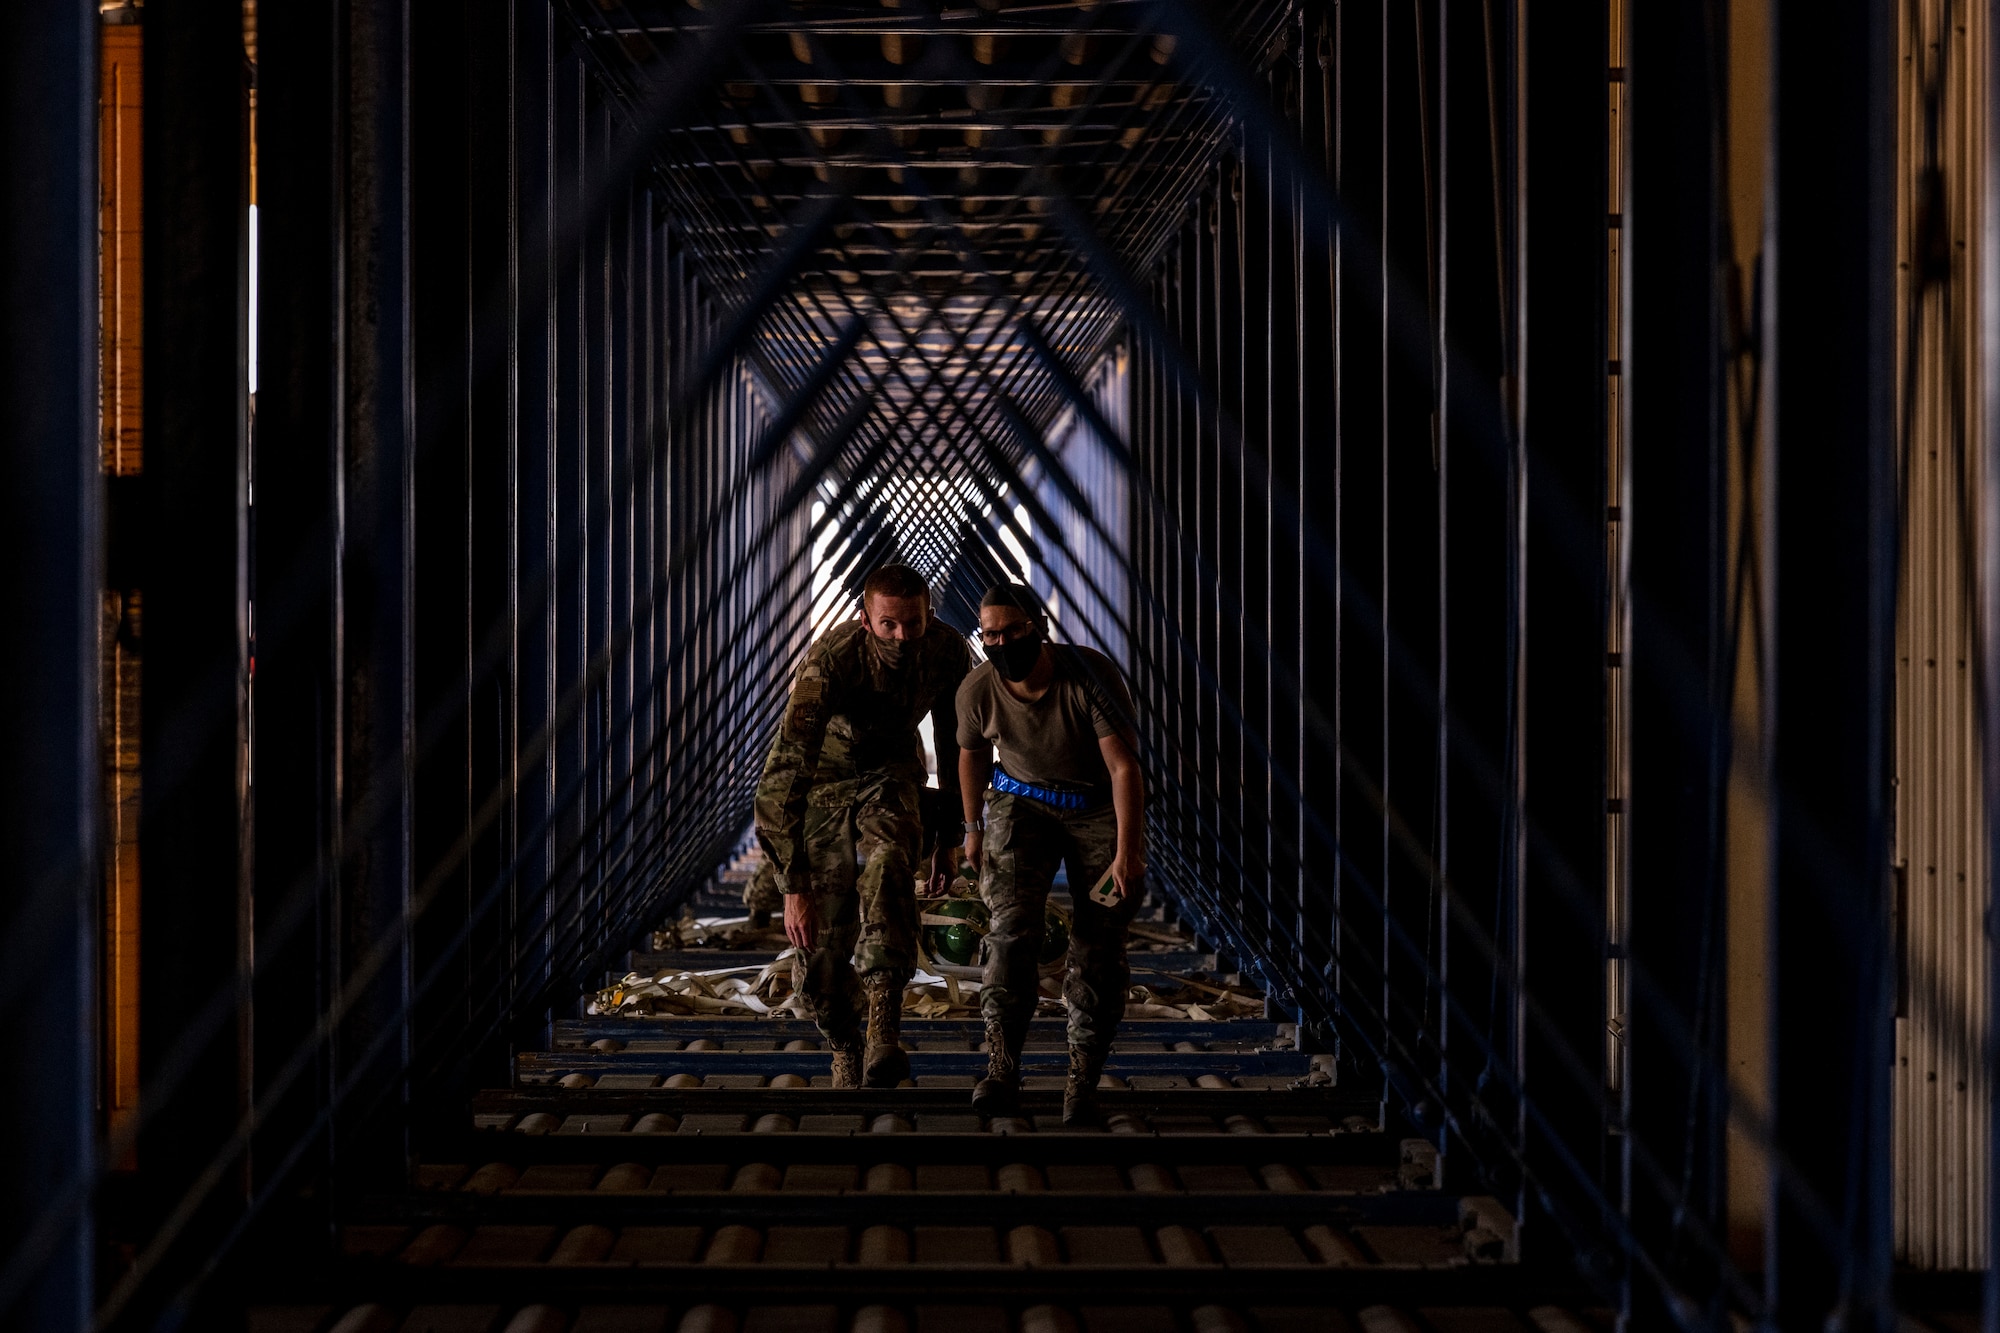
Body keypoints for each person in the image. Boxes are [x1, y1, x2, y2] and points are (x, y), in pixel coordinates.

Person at [754, 564, 974, 1088]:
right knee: (821, 953)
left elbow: (956, 746)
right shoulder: (831, 660)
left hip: (891, 771)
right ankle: (844, 1042)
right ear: (865, 619)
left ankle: (883, 1031)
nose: (902, 637)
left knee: (889, 864)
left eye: (913, 624)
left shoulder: (946, 651)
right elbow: (784, 775)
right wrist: (793, 887)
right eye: (888, 625)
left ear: (930, 616)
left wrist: (949, 840)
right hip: (824, 782)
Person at [956, 583, 1146, 1126]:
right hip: (1023, 803)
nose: (1001, 643)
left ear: (1037, 626)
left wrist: (1127, 854)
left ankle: (1082, 1079)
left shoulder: (1090, 675)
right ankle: (1001, 1068)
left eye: (1012, 631)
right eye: (990, 634)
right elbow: (970, 756)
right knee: (1011, 929)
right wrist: (972, 828)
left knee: (1099, 943)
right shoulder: (978, 691)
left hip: (1095, 807)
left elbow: (1124, 769)